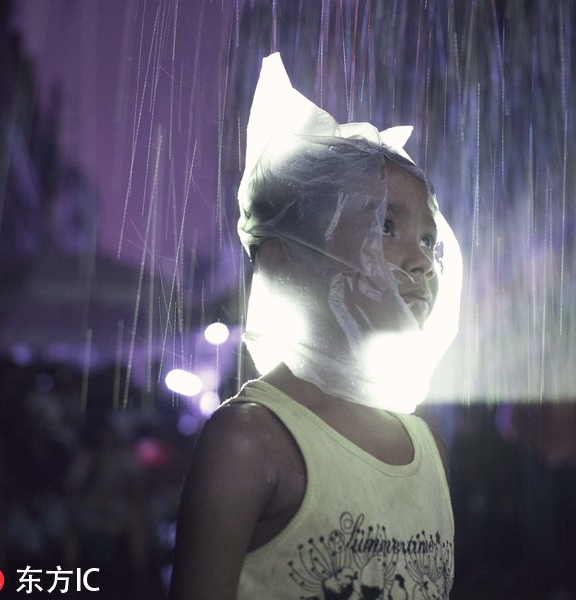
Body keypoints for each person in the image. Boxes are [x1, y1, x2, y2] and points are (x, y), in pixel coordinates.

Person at [169, 53, 461, 600]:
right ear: (286, 262)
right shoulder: (250, 442)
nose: (421, 261)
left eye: (428, 238)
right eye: (385, 226)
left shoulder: (428, 448)